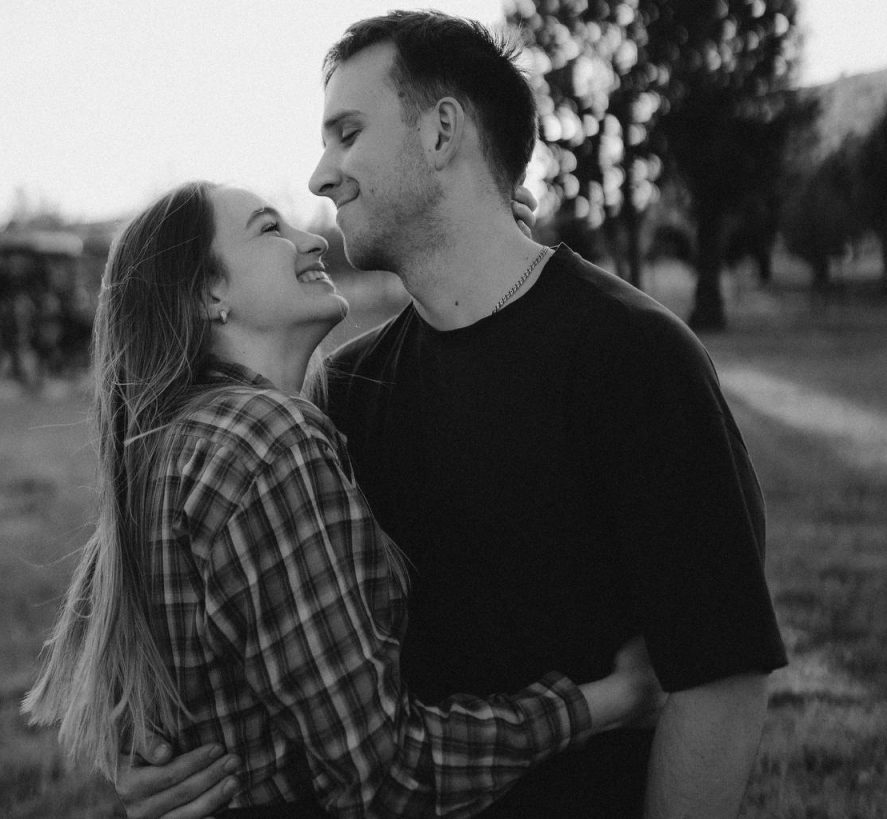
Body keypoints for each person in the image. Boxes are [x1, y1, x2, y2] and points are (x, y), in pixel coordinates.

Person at [118, 10, 787, 818]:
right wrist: (162, 757)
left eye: (348, 133)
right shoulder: (347, 390)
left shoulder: (634, 356)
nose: (321, 178)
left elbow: (719, 678)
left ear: (441, 132)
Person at [23, 180, 666, 818]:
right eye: (270, 229)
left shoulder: (169, 446)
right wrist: (605, 701)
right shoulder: (267, 441)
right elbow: (385, 776)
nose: (312, 240)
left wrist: (479, 246)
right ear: (208, 294)